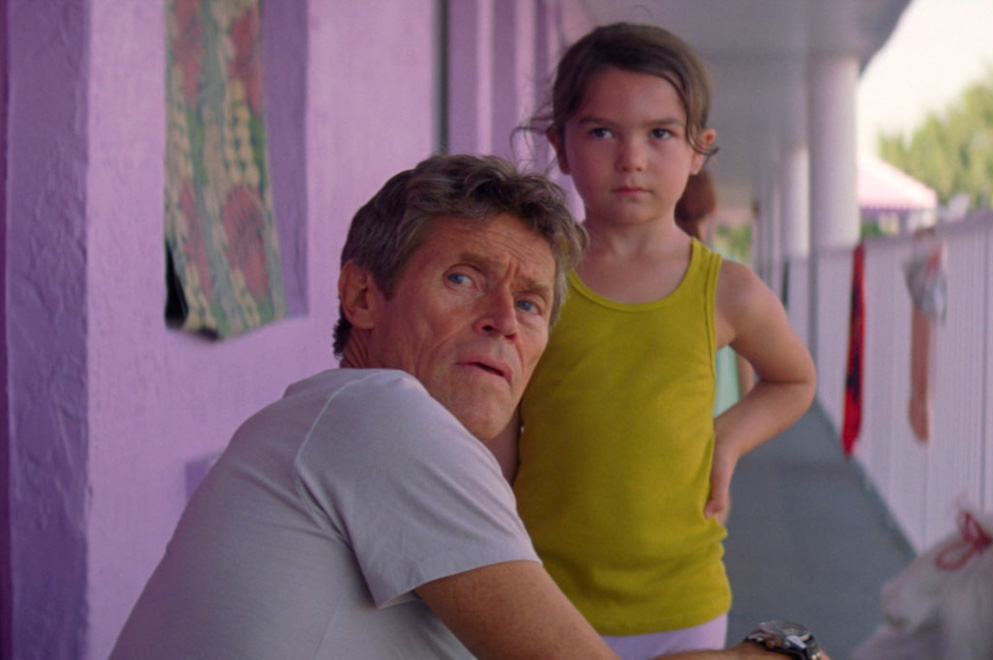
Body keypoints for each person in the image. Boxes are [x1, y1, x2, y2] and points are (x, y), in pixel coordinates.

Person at [110, 154, 814, 659]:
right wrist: (787, 652)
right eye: (462, 279)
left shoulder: (344, 424)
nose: (504, 320)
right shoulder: (381, 415)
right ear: (362, 296)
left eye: (531, 303)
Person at [502, 22, 817, 659]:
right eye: (601, 132)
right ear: (560, 146)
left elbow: (794, 379)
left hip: (683, 602)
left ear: (700, 149)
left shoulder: (727, 290)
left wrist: (727, 438)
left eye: (660, 133)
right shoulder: (534, 277)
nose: (632, 158)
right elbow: (500, 412)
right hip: (542, 594)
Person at [674, 169, 756, 415]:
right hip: (721, 414)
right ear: (712, 208)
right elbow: (744, 357)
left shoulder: (651, 270)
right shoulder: (727, 269)